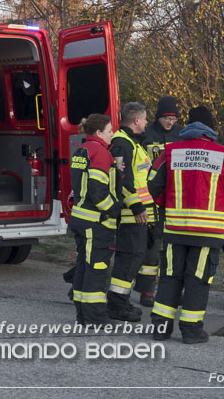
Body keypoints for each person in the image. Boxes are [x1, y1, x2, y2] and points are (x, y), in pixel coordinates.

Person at [148, 106, 224, 344]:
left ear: (188, 127)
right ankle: (191, 331)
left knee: (170, 277)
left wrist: (169, 205)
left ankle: (161, 329)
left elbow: (152, 185)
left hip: (175, 229)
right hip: (208, 231)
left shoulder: (170, 152)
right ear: (210, 129)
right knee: (197, 280)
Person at [70, 113, 123, 325]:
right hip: (96, 222)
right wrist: (113, 210)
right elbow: (97, 190)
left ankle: (83, 314)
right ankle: (95, 317)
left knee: (84, 266)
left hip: (81, 219)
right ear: (99, 132)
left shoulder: (82, 150)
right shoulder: (100, 153)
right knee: (97, 269)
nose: (112, 135)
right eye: (110, 131)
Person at [107, 102, 151, 321]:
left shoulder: (133, 143)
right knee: (129, 257)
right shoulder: (122, 143)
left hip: (137, 213)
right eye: (144, 119)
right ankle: (116, 304)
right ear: (136, 120)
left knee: (135, 257)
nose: (146, 123)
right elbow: (122, 179)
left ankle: (121, 300)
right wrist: (136, 206)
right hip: (131, 213)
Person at [136, 96, 181, 307]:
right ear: (158, 116)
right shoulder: (147, 134)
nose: (170, 122)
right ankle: (146, 290)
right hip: (150, 196)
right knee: (151, 247)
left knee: (172, 247)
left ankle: (171, 290)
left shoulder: (181, 135)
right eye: (166, 118)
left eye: (173, 118)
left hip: (173, 198)